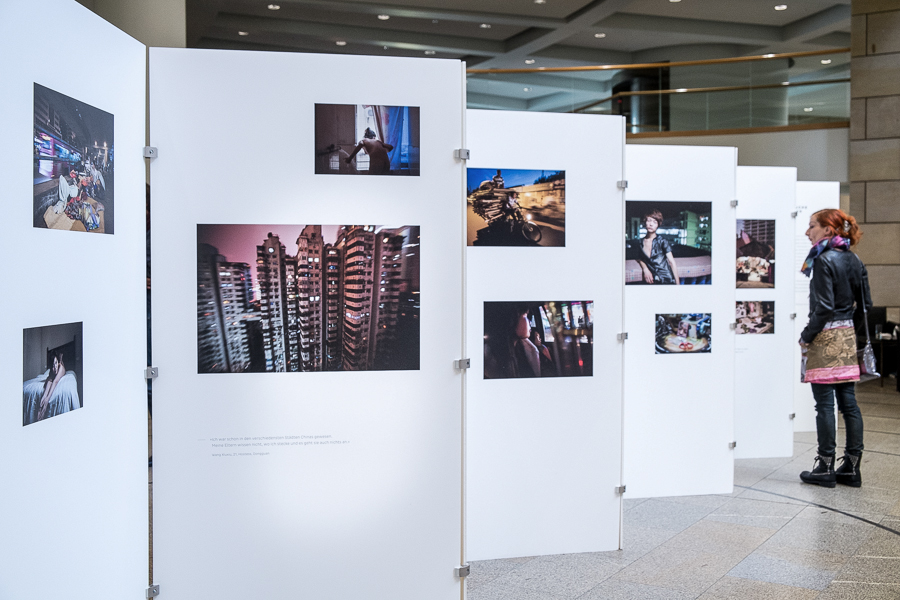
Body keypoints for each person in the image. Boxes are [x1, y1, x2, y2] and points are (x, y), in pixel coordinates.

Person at [799, 208, 871, 488]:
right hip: (848, 336)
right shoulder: (854, 259)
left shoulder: (822, 259)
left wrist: (807, 335)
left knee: (825, 405)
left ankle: (824, 466)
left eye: (812, 226)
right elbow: (866, 305)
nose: (808, 232)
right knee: (849, 404)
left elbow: (823, 307)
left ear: (828, 230)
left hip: (825, 338)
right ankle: (852, 468)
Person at [636, 209, 680, 285]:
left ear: (658, 225)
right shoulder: (640, 242)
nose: (651, 224)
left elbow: (672, 262)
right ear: (645, 222)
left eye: (655, 222)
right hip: (653, 280)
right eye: (649, 220)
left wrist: (678, 285)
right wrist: (645, 269)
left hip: (667, 279)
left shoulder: (662, 241)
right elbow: (639, 258)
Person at [37, 351, 66, 421]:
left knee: (55, 375)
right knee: (50, 378)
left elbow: (55, 381)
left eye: (56, 363)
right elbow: (50, 380)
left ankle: (60, 358)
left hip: (61, 368)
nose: (55, 367)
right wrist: (44, 396)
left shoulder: (60, 367)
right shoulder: (52, 370)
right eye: (52, 365)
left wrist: (47, 400)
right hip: (53, 375)